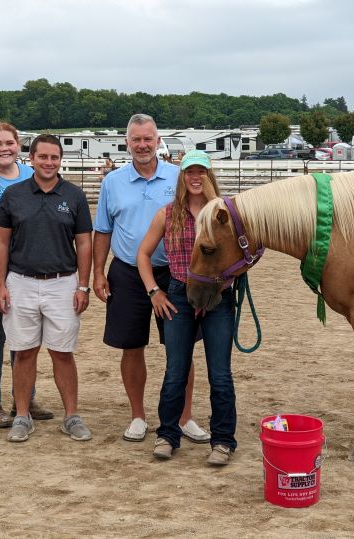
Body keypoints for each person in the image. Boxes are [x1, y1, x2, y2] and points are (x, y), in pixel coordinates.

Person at [93, 113, 209, 444]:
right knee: (132, 346)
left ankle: (184, 417)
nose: (142, 145)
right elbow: (103, 229)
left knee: (182, 348)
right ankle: (138, 416)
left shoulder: (179, 177)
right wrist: (98, 272)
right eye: (136, 139)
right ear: (127, 143)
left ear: (158, 142)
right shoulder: (111, 182)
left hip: (174, 274)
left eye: (148, 139)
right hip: (128, 272)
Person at [137, 150, 237, 466]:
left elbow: (251, 251)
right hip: (180, 292)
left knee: (220, 373)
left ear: (209, 176)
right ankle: (168, 435)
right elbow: (143, 255)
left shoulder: (227, 214)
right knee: (175, 370)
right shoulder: (167, 214)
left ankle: (222, 441)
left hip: (218, 294)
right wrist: (154, 291)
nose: (196, 178)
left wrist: (229, 277)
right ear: (182, 177)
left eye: (201, 172)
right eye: (190, 172)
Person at [0, 134, 93, 443]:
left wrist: (83, 286)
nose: (49, 163)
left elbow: (85, 243)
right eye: (43, 157)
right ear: (31, 158)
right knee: (23, 352)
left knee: (63, 353)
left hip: (63, 284)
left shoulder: (74, 195)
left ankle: (71, 416)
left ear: (60, 160)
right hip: (20, 282)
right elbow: (0, 242)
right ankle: (22, 415)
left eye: (54, 157)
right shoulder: (13, 195)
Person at [0, 122, 53, 428]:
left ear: (19, 146)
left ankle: (24, 398)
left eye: (10, 143)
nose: (4, 148)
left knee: (25, 335)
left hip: (23, 264)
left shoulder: (30, 176)